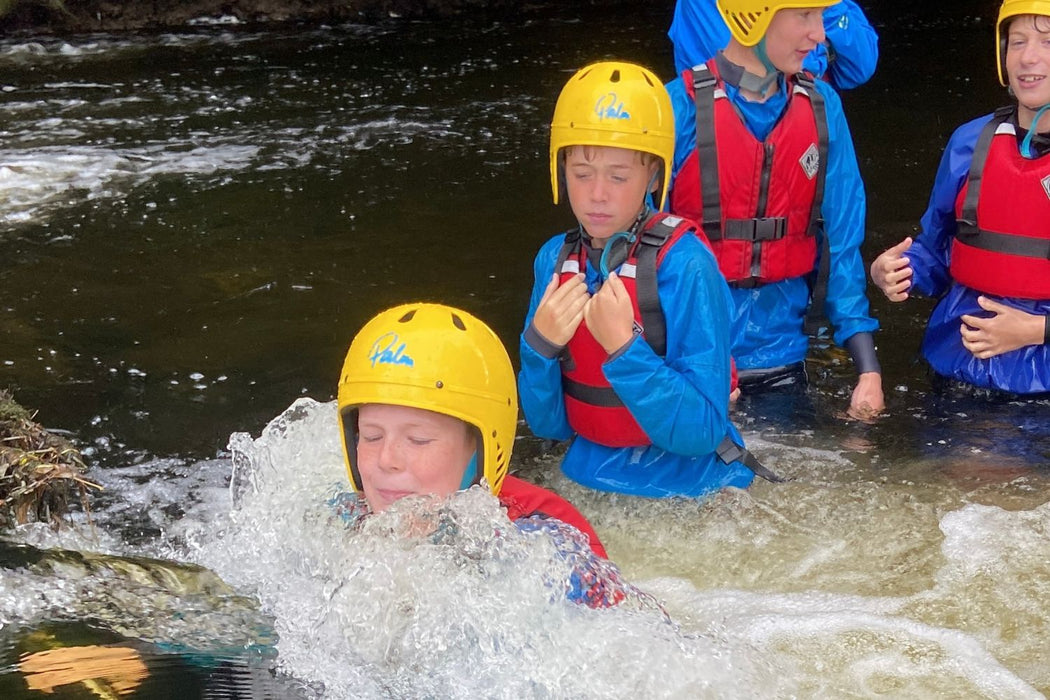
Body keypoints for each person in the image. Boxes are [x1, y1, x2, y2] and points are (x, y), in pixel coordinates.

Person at [518, 61, 774, 500]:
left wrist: (624, 349)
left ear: (654, 175)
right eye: (581, 173)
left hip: (694, 488)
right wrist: (539, 347)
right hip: (589, 476)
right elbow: (549, 425)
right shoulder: (554, 260)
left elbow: (702, 431)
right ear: (560, 170)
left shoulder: (687, 264)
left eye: (619, 176)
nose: (597, 194)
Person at [666, 0, 885, 418]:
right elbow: (634, 257)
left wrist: (868, 370)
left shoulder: (824, 108)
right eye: (804, 16)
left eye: (820, 17)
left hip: (782, 363)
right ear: (754, 18)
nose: (820, 35)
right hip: (690, 367)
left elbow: (844, 240)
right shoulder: (676, 109)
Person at [334, 301, 631, 607]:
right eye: (371, 436)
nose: (386, 460)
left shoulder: (547, 548)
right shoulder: (341, 521)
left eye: (418, 439)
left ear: (480, 447)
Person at [870, 0, 1050, 396]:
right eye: (1017, 42)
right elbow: (937, 253)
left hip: (1041, 390)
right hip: (957, 371)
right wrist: (900, 270)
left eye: (1047, 42)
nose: (1028, 57)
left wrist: (1035, 330)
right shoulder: (970, 142)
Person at [668, 0, 879, 90]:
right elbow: (749, 76)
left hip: (803, 128)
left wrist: (820, 9)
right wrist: (825, 49)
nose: (817, 33)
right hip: (722, 136)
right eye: (806, 14)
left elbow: (861, 67)